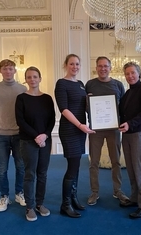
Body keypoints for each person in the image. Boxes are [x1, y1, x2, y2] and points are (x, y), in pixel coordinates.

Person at [55, 54, 95, 218]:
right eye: (72, 64)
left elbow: (84, 106)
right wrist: (79, 125)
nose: (75, 67)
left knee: (77, 165)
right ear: (66, 65)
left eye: (77, 64)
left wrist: (92, 103)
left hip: (80, 129)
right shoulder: (61, 83)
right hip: (70, 129)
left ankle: (73, 198)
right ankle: (65, 204)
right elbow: (63, 109)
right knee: (72, 167)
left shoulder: (80, 84)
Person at [85, 56, 129, 206]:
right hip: (95, 129)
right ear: (96, 68)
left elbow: (123, 107)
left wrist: (122, 122)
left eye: (105, 66)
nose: (103, 68)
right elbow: (85, 107)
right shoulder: (90, 84)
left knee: (116, 160)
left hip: (113, 129)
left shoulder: (118, 85)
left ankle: (118, 190)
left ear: (110, 68)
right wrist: (87, 102)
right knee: (94, 162)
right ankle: (94, 192)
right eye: (100, 66)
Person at [15, 66, 55, 221]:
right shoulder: (21, 98)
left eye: (35, 77)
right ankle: (30, 207)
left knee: (42, 174)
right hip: (28, 141)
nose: (32, 79)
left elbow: (51, 120)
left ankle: (40, 204)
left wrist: (44, 135)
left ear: (40, 79)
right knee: (30, 174)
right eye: (29, 77)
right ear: (26, 79)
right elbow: (21, 121)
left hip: (45, 140)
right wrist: (36, 137)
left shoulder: (47, 98)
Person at [118, 62, 141, 219]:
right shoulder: (126, 94)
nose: (130, 76)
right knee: (131, 169)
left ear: (139, 73)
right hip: (126, 135)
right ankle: (134, 198)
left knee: (139, 170)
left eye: (133, 73)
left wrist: (130, 123)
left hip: (139, 134)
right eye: (127, 74)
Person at [0, 59, 27, 212]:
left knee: (21, 166)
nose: (8, 71)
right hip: (1, 134)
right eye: (5, 68)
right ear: (0, 71)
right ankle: (4, 196)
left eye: (10, 68)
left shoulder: (22, 88)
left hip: (19, 135)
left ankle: (19, 193)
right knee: (2, 168)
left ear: (15, 71)